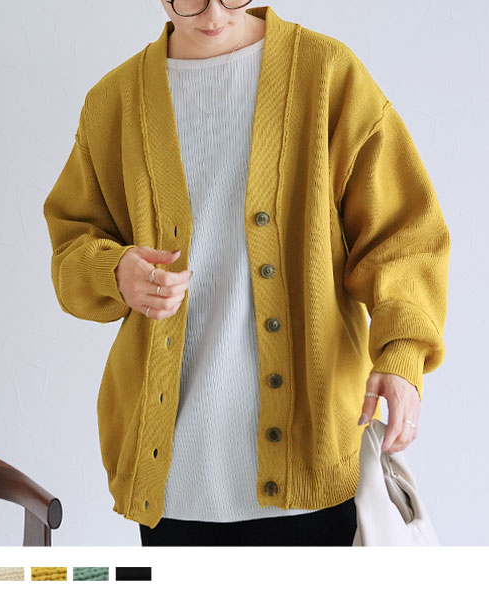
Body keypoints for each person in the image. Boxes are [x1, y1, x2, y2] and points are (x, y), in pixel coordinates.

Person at [43, 2, 451, 546]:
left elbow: (404, 235)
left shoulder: (326, 74)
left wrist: (402, 356)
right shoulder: (115, 102)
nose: (213, 12)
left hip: (311, 463)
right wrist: (115, 272)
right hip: (175, 477)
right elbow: (71, 245)